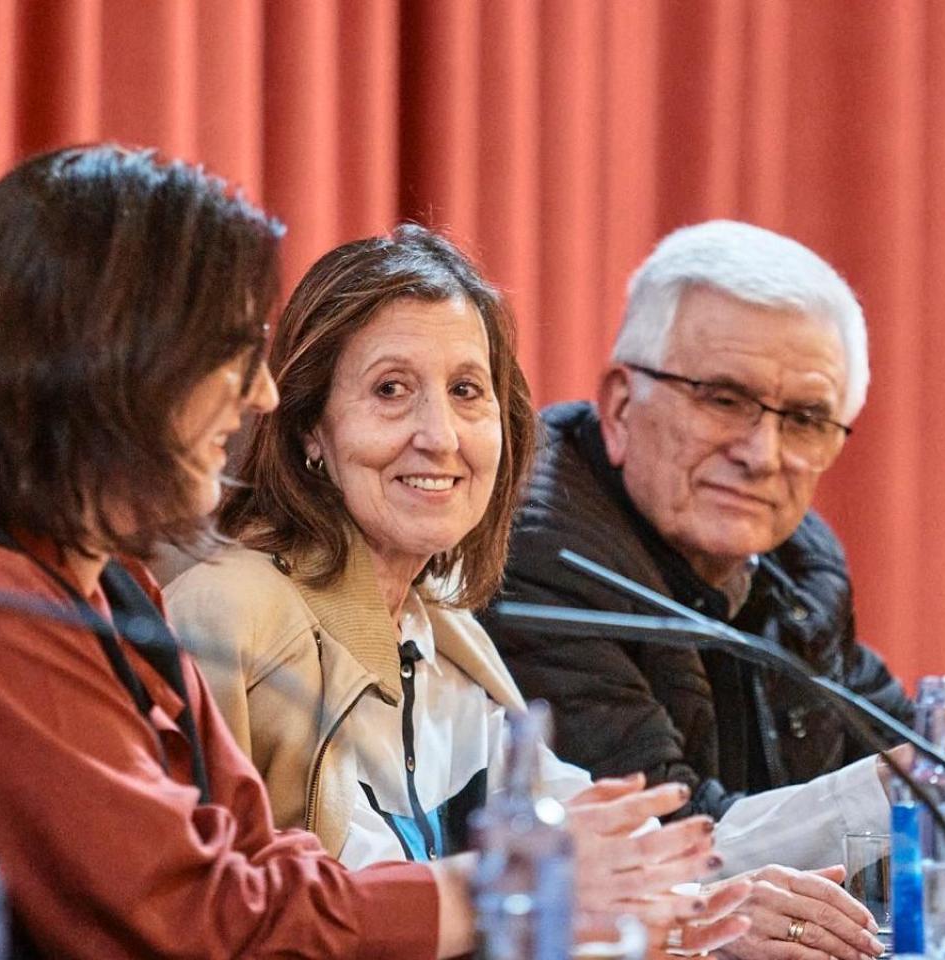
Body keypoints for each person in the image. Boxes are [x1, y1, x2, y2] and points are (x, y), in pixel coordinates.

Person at [0, 145, 488, 960]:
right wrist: (500, 888)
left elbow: (247, 850)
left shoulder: (103, 579)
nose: (262, 393)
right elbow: (199, 926)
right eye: (232, 352)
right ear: (116, 363)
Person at [163, 224, 886, 959]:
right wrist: (683, 921)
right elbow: (217, 920)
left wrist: (707, 916)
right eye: (391, 391)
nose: (440, 436)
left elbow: (606, 857)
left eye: (466, 392)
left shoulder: (443, 629)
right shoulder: (230, 615)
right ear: (311, 426)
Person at [485, 220, 945, 920]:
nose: (762, 454)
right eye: (724, 399)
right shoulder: (540, 555)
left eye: (803, 418)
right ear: (619, 405)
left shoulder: (798, 561)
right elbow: (673, 855)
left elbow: (892, 767)